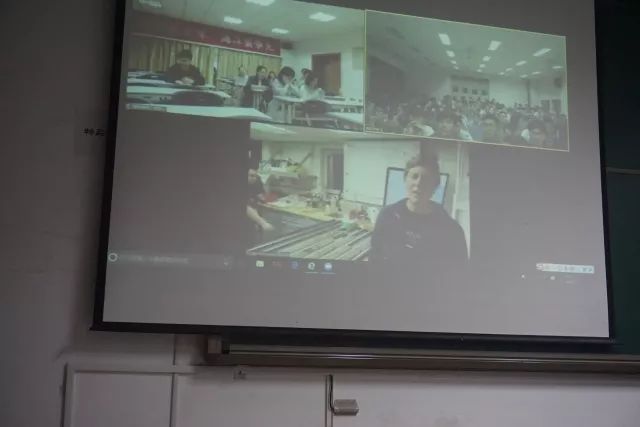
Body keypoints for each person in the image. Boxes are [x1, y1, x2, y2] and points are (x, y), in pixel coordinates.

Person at [370, 151, 468, 282]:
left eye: (426, 179)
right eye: (414, 176)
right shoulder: (387, 216)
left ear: (435, 186)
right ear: (405, 180)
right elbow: (375, 257)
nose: (418, 183)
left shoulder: (451, 230)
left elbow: (459, 276)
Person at [247, 167, 274, 237]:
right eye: (251, 176)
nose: (254, 178)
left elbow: (260, 194)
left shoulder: (257, 180)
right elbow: (246, 207)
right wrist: (263, 223)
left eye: (256, 176)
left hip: (254, 208)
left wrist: (273, 201)